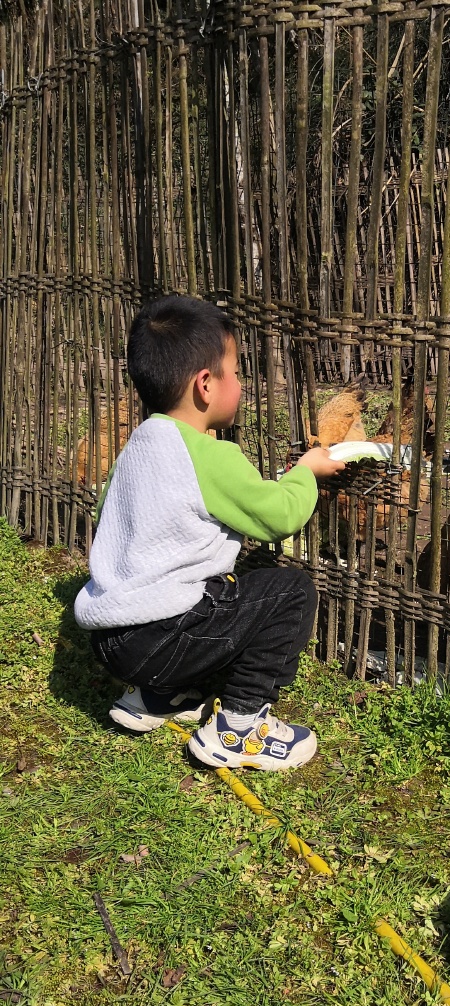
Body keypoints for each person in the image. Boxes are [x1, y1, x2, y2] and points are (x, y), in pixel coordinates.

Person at [74, 295, 345, 771]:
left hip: (110, 642)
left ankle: (157, 696)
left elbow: (108, 512)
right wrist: (305, 472)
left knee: (204, 598)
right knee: (289, 592)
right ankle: (239, 727)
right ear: (205, 385)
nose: (241, 383)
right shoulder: (210, 457)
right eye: (236, 372)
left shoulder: (136, 446)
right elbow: (278, 515)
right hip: (164, 637)